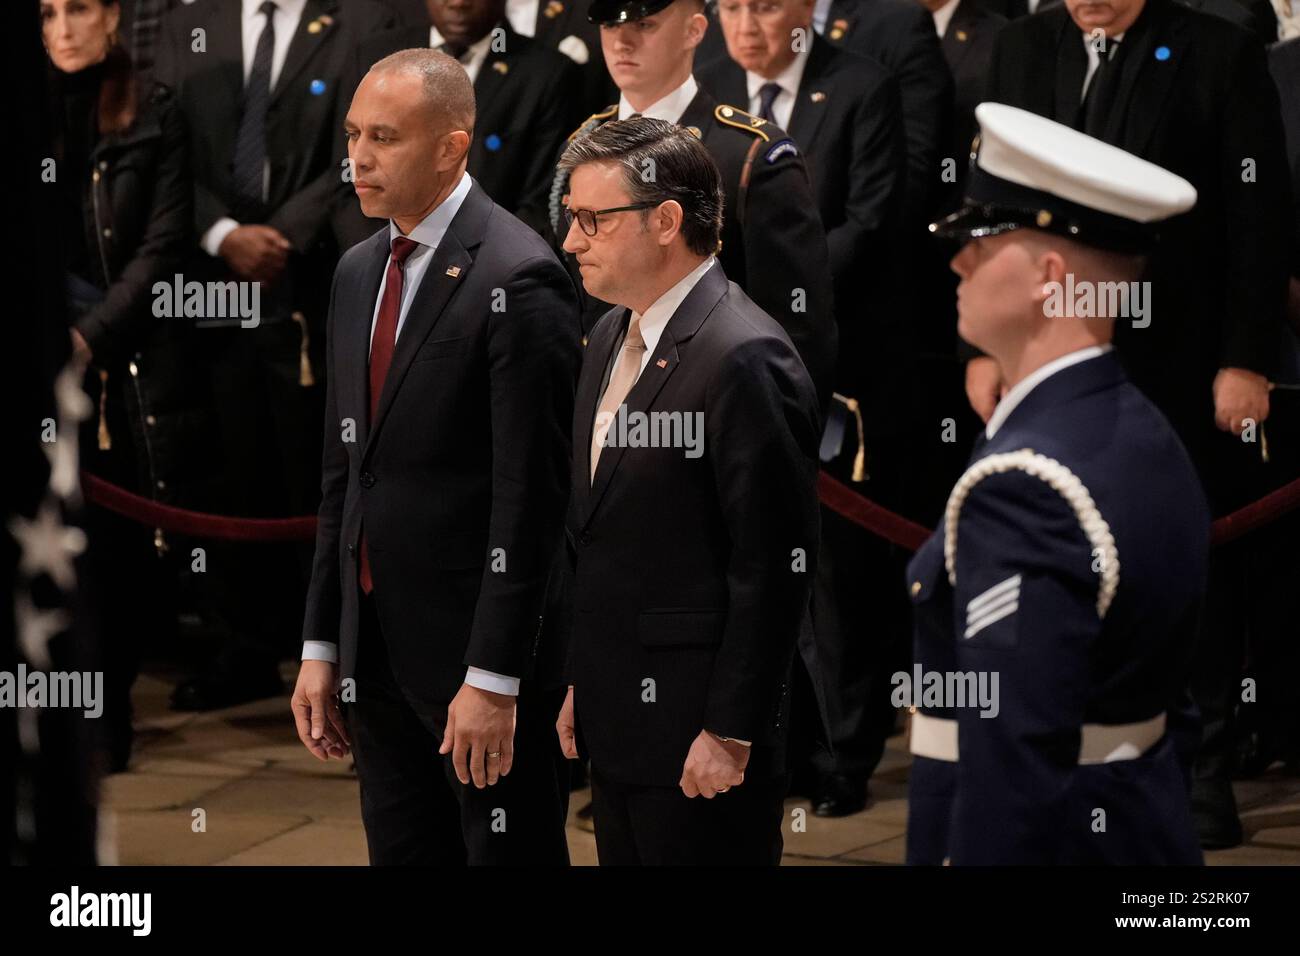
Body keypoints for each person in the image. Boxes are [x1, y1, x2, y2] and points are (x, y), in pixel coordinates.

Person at [976, 0, 1295, 848]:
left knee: (1195, 564)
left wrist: (1247, 359)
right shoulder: (1023, 48)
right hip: (1047, 356)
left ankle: (1201, 769)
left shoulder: (1217, 53)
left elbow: (1258, 217)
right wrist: (985, 347)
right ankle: (1067, 760)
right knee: (1060, 556)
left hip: (1182, 363)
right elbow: (993, 204)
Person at [292, 49, 581, 865]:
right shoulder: (355, 271)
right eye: (352, 134)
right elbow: (343, 477)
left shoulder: (521, 276)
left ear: (452, 147)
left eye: (383, 137)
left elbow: (533, 501)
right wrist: (321, 646)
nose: (358, 157)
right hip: (374, 650)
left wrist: (494, 677)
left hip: (475, 661)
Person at [908, 102, 1206, 865]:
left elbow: (1013, 758)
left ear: (1049, 278)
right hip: (1142, 823)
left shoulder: (1025, 482)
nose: (958, 261)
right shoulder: (1141, 430)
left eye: (981, 239)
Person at [554, 116, 821, 864]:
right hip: (621, 722)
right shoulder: (611, 334)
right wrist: (588, 680)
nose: (572, 241)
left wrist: (732, 731)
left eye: (591, 219)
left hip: (701, 735)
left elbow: (773, 566)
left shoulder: (744, 355)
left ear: (666, 220)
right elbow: (605, 535)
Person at [153, 0, 398, 712]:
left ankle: (333, 656)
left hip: (313, 280)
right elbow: (170, 144)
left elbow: (358, 152)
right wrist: (224, 231)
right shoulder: (187, 23)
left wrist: (280, 232)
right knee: (230, 469)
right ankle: (247, 647)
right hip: (208, 287)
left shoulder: (358, 23)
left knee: (315, 475)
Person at [699, 0, 912, 817]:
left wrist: (756, 297)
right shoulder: (709, 89)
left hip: (832, 362)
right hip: (721, 368)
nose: (751, 22)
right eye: (735, 6)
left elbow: (869, 220)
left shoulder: (860, 86)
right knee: (744, 563)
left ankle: (845, 753)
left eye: (769, 3)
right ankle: (767, 746)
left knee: (833, 576)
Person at [42, 0, 199, 770]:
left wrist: (85, 335)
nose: (64, 28)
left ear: (112, 17)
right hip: (39, 360)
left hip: (125, 366)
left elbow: (164, 246)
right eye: (47, 13)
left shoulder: (154, 111)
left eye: (79, 9)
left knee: (117, 553)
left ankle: (108, 722)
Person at [551, 0, 837, 408]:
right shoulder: (583, 143)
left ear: (694, 31)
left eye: (645, 24)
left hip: (712, 408)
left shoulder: (749, 156)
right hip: (597, 397)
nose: (622, 42)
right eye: (610, 26)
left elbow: (798, 329)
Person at [334, 0, 584, 247]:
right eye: (354, 134)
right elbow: (342, 178)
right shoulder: (372, 55)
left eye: (384, 137)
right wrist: (384, 254)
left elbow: (540, 201)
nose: (458, 3)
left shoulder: (547, 74)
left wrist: (461, 265)